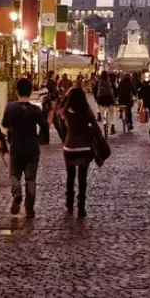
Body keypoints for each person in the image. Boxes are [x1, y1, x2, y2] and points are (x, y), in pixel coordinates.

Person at [2, 77, 48, 217]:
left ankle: (17, 194)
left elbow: (4, 124)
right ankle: (29, 209)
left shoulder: (10, 107)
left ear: (17, 92)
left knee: (14, 174)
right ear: (30, 92)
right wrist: (38, 139)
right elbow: (45, 127)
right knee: (31, 179)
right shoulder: (35, 109)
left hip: (16, 147)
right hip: (32, 148)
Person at [58, 85, 102, 217]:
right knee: (82, 179)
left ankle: (69, 203)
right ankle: (81, 207)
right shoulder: (87, 111)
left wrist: (66, 95)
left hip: (69, 147)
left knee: (70, 177)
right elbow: (95, 127)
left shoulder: (66, 111)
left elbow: (59, 108)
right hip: (84, 148)